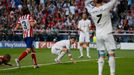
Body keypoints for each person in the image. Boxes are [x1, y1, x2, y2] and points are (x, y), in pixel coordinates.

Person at [85, 0, 117, 75]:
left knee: (101, 54)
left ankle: (100, 73)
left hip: (98, 34)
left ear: (94, 2)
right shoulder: (106, 6)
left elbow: (86, 3)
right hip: (107, 32)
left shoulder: (91, 10)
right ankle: (112, 73)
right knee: (111, 53)